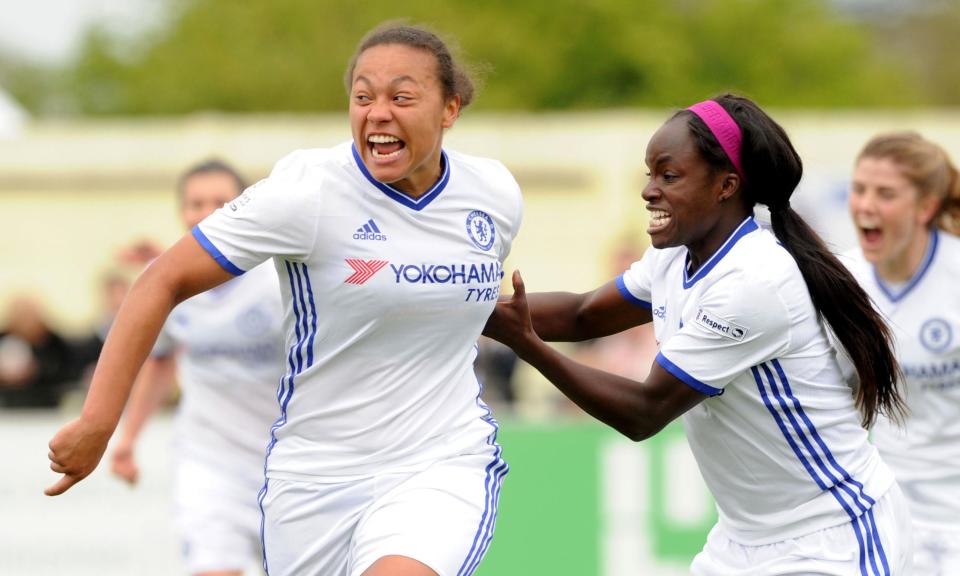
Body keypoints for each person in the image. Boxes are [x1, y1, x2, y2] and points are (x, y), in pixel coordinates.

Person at [45, 22, 523, 576]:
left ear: (450, 109)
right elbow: (161, 280)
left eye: (402, 96)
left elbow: (478, 307)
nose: (378, 112)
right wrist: (100, 424)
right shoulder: (307, 192)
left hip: (439, 461)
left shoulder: (493, 194)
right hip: (312, 477)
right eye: (363, 96)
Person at [484, 94, 913, 574]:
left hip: (828, 538)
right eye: (649, 174)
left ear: (726, 186)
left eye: (668, 176)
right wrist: (463, 306)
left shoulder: (753, 280)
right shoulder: (676, 255)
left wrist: (526, 343)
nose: (649, 190)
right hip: (739, 542)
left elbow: (644, 412)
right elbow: (584, 314)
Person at [108, 159, 285, 576]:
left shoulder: (281, 278)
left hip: (290, 465)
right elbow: (160, 362)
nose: (207, 213)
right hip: (209, 462)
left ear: (245, 206)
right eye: (195, 203)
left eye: (220, 201)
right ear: (181, 211)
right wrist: (128, 439)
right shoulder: (164, 281)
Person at [843, 132, 960, 574]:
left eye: (885, 193)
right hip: (883, 514)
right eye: (859, 189)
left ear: (925, 207)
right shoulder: (843, 281)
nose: (866, 205)